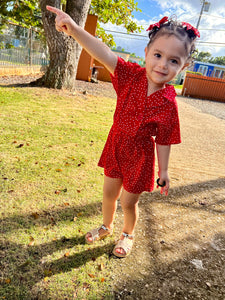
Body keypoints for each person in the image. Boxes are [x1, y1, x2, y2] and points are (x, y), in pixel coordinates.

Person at [46, 6, 200, 258]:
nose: (163, 65)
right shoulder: (130, 75)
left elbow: (163, 140)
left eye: (174, 61)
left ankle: (127, 233)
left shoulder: (169, 102)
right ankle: (106, 226)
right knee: (109, 193)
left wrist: (164, 171)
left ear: (182, 68)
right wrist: (73, 29)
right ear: (147, 52)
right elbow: (103, 51)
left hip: (140, 155)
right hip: (116, 144)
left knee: (129, 202)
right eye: (158, 55)